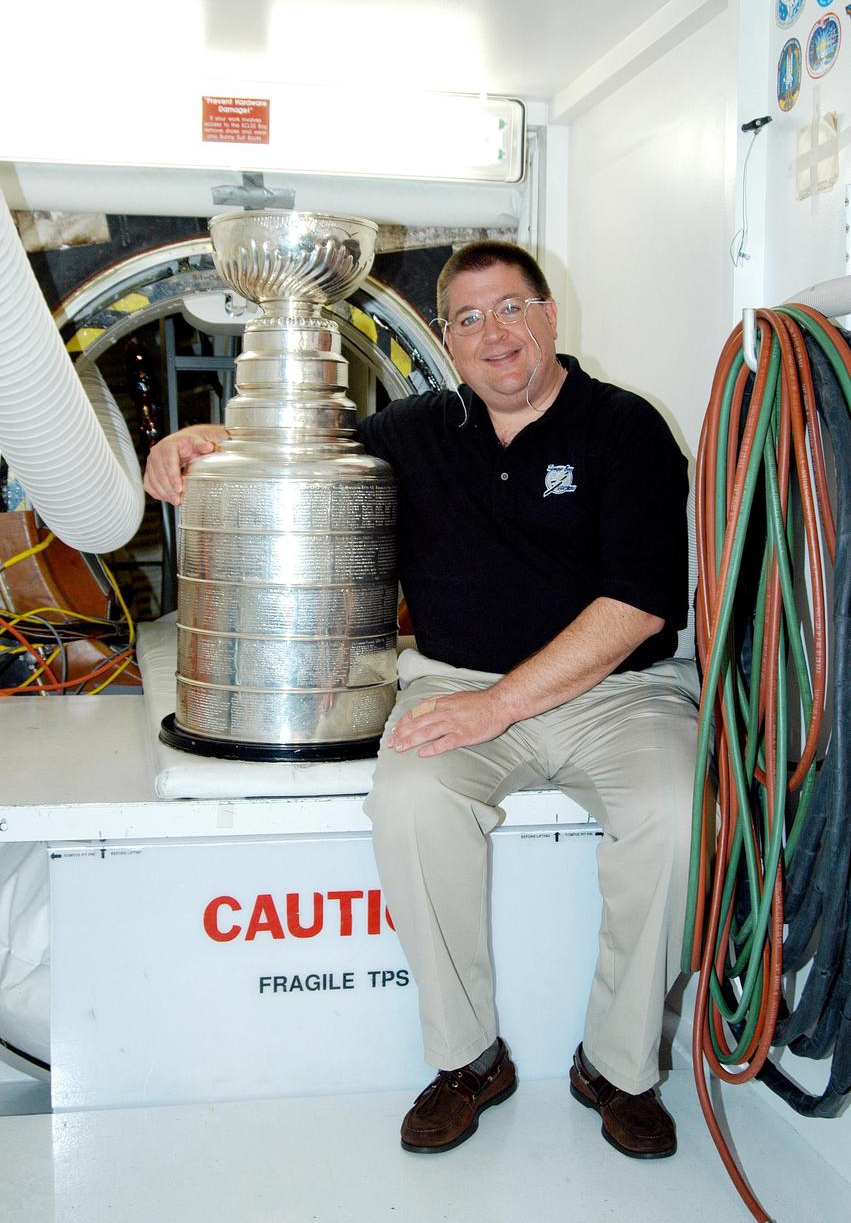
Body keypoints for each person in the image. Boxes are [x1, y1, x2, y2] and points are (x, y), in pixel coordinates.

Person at [144, 241, 699, 1162]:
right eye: (470, 319)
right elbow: (297, 457)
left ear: (550, 314)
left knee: (679, 811)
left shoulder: (626, 428)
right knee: (409, 801)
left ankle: (617, 1066)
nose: (496, 334)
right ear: (446, 340)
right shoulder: (412, 432)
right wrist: (197, 443)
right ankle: (467, 1059)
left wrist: (504, 707)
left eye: (512, 308)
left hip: (614, 695)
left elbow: (636, 607)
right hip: (455, 682)